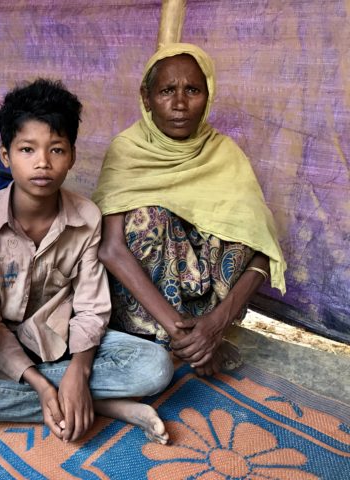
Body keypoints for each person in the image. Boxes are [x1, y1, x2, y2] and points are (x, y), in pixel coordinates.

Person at [0, 79, 174, 445]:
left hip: (66, 340)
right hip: (2, 348)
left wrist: (79, 371)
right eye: (27, 149)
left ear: (71, 156)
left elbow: (91, 308)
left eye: (56, 150)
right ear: (6, 156)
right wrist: (38, 382)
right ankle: (103, 405)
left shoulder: (86, 217)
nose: (42, 163)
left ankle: (57, 394)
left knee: (156, 366)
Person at [92, 43, 286, 377]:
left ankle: (201, 337)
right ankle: (179, 343)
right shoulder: (128, 150)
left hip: (208, 307)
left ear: (208, 95)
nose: (180, 104)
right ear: (146, 97)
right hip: (149, 311)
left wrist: (216, 324)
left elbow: (262, 251)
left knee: (242, 228)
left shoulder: (224, 153)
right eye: (167, 91)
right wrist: (183, 334)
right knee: (146, 219)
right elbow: (110, 249)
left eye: (192, 90)